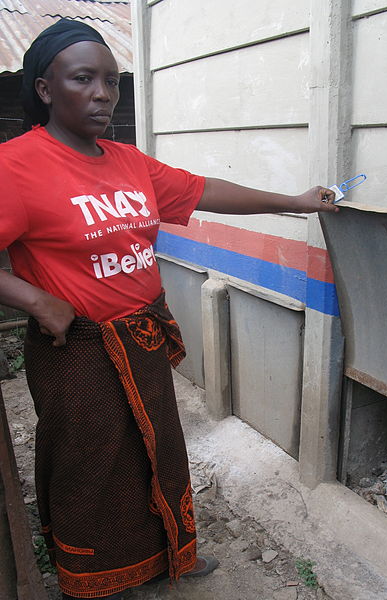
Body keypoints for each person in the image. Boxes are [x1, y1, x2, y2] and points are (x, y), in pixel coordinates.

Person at [0, 19, 338, 600]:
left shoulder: (128, 162)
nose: (104, 94)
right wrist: (33, 298)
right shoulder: (16, 166)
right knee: (93, 468)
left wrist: (295, 202)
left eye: (112, 81)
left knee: (157, 448)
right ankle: (95, 580)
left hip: (143, 339)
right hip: (76, 351)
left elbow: (204, 191)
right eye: (84, 79)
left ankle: (168, 553)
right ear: (45, 88)